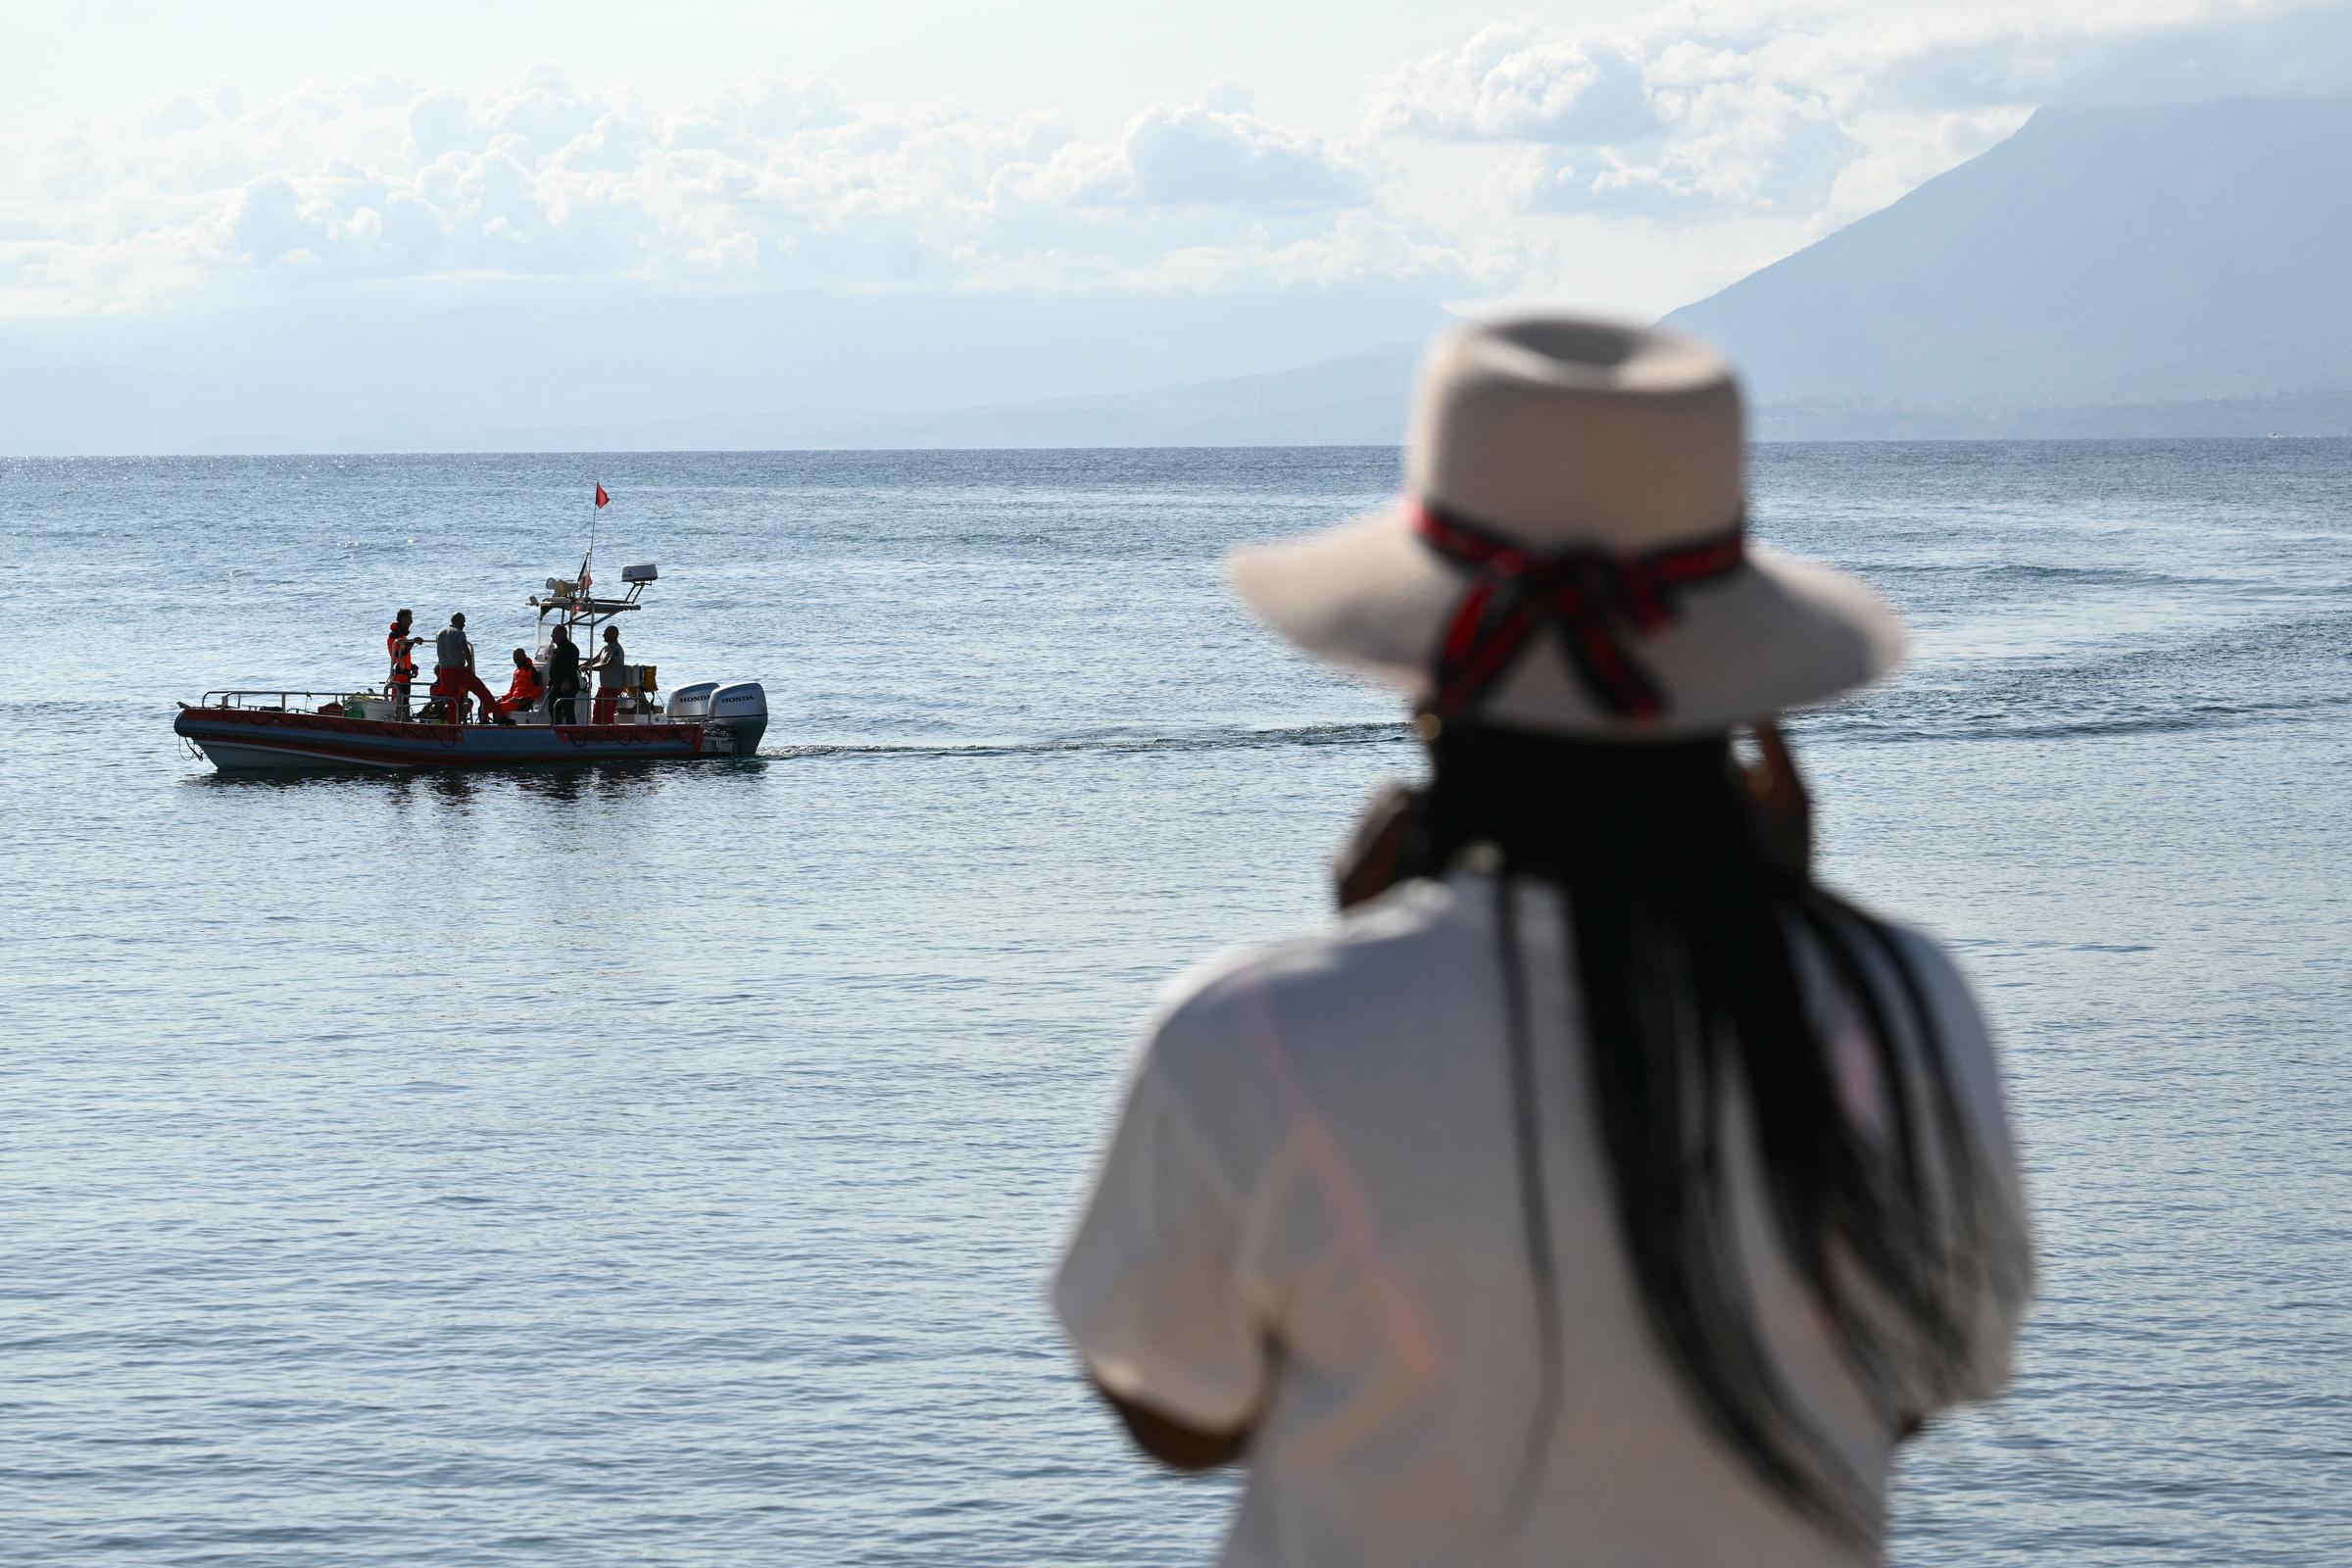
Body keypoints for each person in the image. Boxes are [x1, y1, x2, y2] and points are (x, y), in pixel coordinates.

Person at [1053, 317, 2034, 1568]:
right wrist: (1783, 939)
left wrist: (1363, 973)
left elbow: (1181, 1415)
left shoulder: (1251, 1033)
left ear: (1428, 683)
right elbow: (1897, 1397)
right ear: (1733, 696)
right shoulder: (1904, 1007)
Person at [432, 611, 512, 727]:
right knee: (482, 691)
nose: (464, 625)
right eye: (463, 622)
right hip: (458, 671)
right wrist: (469, 665)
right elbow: (465, 649)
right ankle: (499, 716)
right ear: (457, 621)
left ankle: (452, 727)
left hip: (444, 672)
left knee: (451, 701)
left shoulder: (439, 633)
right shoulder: (459, 633)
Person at [385, 608, 423, 719]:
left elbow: (404, 658)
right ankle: (397, 720)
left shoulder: (402, 636)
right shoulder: (394, 636)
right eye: (409, 619)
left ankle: (405, 719)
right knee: (398, 701)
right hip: (399, 674)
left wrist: (413, 667)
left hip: (405, 674)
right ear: (402, 619)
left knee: (405, 701)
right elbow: (398, 655)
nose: (411, 621)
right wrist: (412, 642)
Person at [587, 624, 628, 724]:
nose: (603, 635)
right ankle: (595, 728)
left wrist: (590, 669)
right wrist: (582, 666)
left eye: (605, 633)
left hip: (613, 687)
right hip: (604, 687)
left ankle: (607, 731)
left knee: (607, 712)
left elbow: (608, 665)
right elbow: (595, 660)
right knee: (597, 709)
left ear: (613, 634)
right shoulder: (606, 648)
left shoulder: (617, 650)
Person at [546, 622, 582, 725]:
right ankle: (557, 728)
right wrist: (551, 683)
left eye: (554, 633)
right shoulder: (558, 649)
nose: (552, 635)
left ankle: (571, 732)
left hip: (567, 685)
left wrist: (567, 681)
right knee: (553, 708)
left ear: (562, 634)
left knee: (568, 710)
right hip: (557, 685)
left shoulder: (570, 648)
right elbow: (555, 668)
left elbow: (572, 666)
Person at [497, 647, 544, 716]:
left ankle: (498, 726)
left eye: (519, 655)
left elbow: (538, 691)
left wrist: (521, 699)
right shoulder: (517, 671)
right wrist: (502, 698)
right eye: (515, 655)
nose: (516, 657)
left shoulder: (531, 670)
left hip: (523, 704)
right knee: (486, 706)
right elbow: (511, 692)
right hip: (513, 701)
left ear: (525, 656)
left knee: (497, 708)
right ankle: (484, 724)